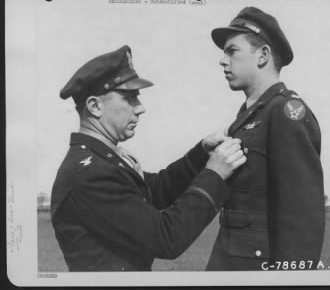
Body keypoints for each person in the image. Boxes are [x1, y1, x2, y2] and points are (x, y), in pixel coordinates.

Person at [50, 45, 246, 271]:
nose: (140, 108)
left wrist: (202, 154)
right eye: (130, 97)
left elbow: (156, 189)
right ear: (95, 106)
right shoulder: (91, 174)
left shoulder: (101, 162)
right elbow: (167, 238)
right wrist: (214, 175)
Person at [206, 7, 325, 271]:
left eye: (232, 51)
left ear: (262, 56)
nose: (222, 61)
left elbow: (301, 221)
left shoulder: (285, 112)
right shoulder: (248, 117)